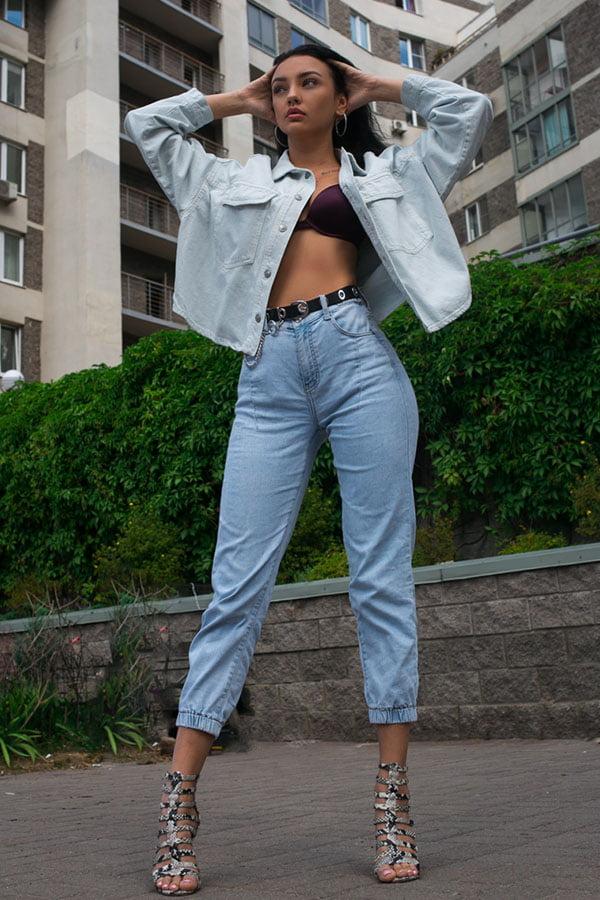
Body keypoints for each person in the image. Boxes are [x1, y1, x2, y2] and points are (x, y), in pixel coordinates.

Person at [124, 42, 493, 895]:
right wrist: (238, 100)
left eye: (308, 83)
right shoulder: (231, 181)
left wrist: (379, 83)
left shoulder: (389, 175)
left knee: (381, 579)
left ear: (339, 98)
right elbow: (149, 126)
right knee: (236, 588)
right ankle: (178, 805)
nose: (290, 95)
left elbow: (466, 113)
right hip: (268, 377)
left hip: (360, 359)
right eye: (280, 86)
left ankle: (392, 803)